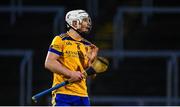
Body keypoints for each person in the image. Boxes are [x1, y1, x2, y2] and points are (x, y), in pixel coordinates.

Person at [44, 9, 98, 106]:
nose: (88, 23)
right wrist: (70, 74)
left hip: (82, 95)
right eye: (84, 20)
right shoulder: (60, 40)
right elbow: (49, 63)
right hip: (63, 94)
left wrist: (92, 60)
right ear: (74, 22)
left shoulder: (88, 45)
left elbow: (92, 76)